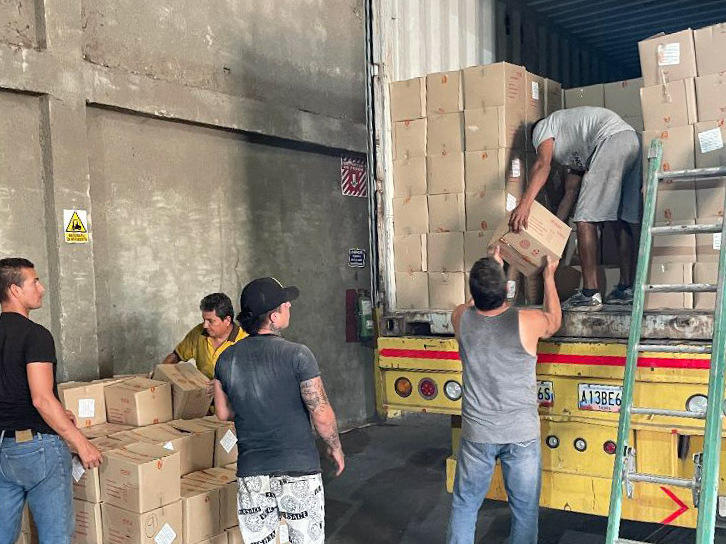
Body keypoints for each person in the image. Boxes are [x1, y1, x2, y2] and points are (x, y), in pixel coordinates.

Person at [213, 277, 344, 544]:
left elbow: (223, 413)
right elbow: (320, 412)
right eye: (285, 305)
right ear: (274, 316)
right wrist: (335, 447)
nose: (289, 308)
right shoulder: (298, 355)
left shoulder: (226, 358)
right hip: (298, 472)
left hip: (253, 474)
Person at [446, 247, 562, 544]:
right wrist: (549, 276)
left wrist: (491, 268)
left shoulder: (461, 319)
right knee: (524, 511)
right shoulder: (526, 321)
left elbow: (471, 305)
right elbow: (554, 321)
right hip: (520, 434)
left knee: (464, 505)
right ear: (506, 291)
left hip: (477, 434)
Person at [0, 257, 103, 544]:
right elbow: (41, 399)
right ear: (15, 290)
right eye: (35, 281)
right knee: (55, 538)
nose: (42, 288)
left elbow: (14, 390)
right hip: (38, 450)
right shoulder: (36, 336)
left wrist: (58, 412)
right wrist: (81, 443)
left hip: (3, 449)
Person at [510, 106, 642, 311]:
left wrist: (524, 206)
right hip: (632, 141)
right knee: (621, 219)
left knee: (585, 220)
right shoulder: (576, 149)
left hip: (611, 141)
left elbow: (542, 165)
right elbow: (570, 193)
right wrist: (553, 235)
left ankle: (590, 293)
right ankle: (626, 289)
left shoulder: (542, 127)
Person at [161, 292, 246, 379]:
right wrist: (159, 373)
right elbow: (176, 356)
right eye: (204, 320)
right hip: (203, 391)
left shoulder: (245, 340)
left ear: (227, 320)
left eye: (210, 321)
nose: (205, 325)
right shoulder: (198, 333)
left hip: (233, 392)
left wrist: (220, 386)